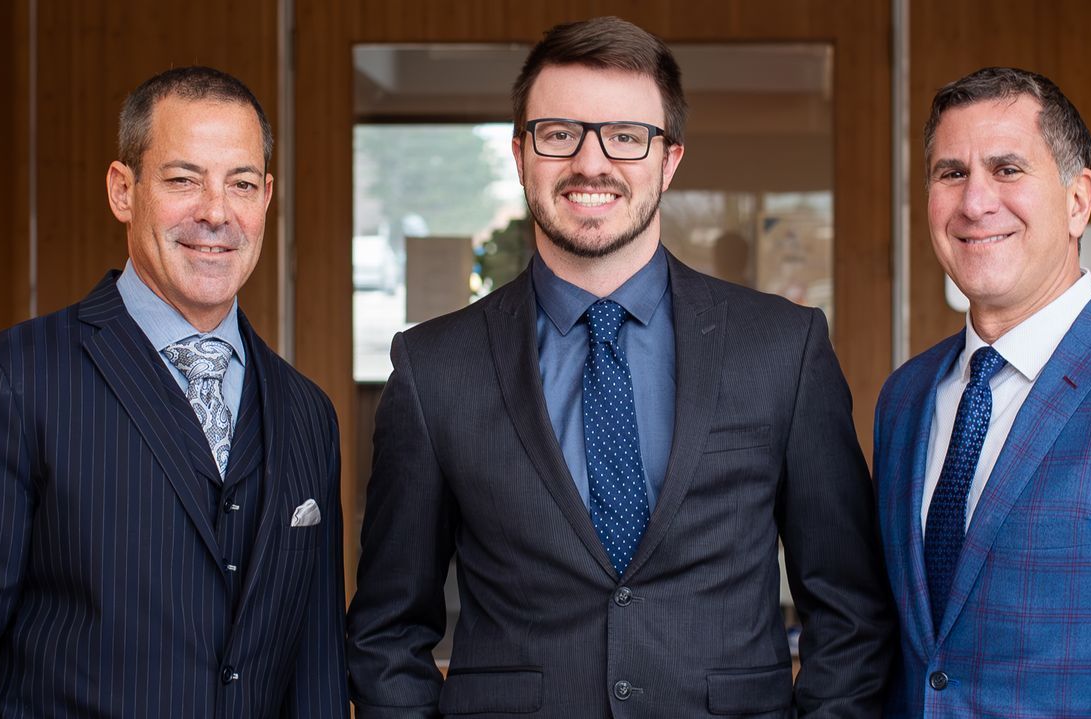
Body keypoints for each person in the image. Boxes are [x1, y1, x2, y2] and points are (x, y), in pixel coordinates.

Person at [347, 17, 895, 718]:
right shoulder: (432, 368)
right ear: (521, 154)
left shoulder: (783, 348)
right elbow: (388, 630)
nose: (591, 162)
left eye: (625, 137)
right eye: (558, 133)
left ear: (669, 160)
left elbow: (849, 612)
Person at [0, 66, 347, 718]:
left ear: (267, 197)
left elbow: (315, 674)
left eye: (242, 184)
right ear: (123, 189)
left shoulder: (307, 412)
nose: (215, 212)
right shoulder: (6, 380)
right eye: (182, 179)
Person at [875, 66, 1091, 717]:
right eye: (951, 173)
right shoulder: (905, 398)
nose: (974, 201)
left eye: (1008, 169)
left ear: (1079, 200)